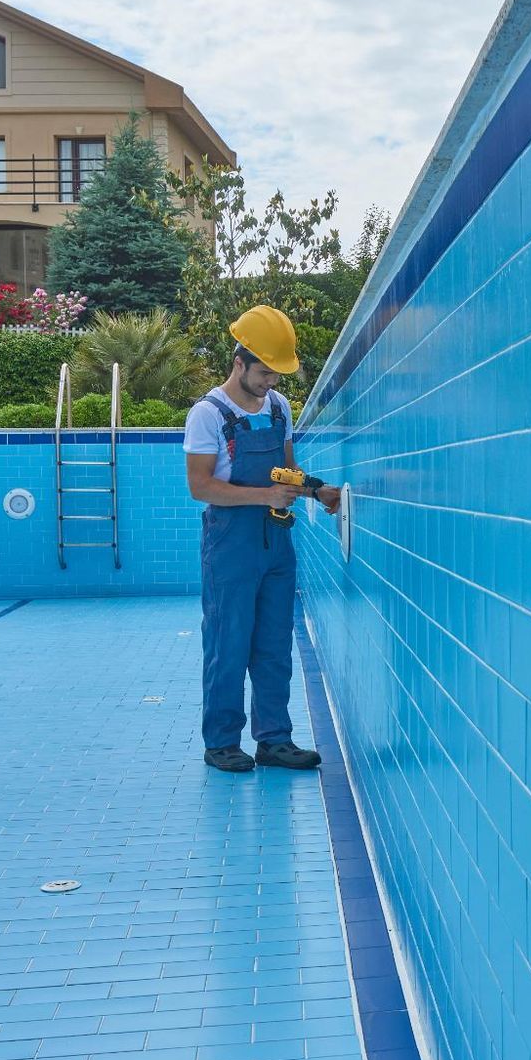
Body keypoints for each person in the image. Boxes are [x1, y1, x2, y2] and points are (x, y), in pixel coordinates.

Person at [184, 304, 341, 774]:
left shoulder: (278, 407)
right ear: (239, 362)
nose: (271, 381)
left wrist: (315, 490)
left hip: (276, 541)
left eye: (277, 373)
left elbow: (283, 472)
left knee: (274, 643)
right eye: (264, 372)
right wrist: (265, 495)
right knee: (228, 642)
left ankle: (274, 739)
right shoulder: (207, 414)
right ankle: (222, 742)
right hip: (231, 543)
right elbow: (201, 487)